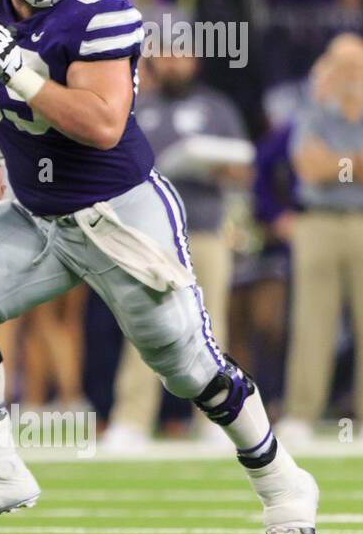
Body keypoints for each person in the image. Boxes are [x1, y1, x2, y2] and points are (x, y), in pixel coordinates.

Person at [0, 0, 319, 534]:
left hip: (117, 210)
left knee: (189, 367)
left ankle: (284, 486)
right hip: (37, 211)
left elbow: (101, 126)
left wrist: (21, 72)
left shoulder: (102, 15)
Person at [104, 47, 253, 448]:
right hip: (148, 234)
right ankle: (131, 420)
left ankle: (217, 420)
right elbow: (112, 163)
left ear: (194, 60)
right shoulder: (137, 106)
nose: (173, 63)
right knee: (143, 324)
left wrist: (215, 165)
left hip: (203, 229)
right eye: (165, 55)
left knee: (210, 326)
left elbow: (244, 168)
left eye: (181, 54)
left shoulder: (216, 107)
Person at [282, 33, 363, 447]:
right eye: (341, 65)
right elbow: (310, 169)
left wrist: (340, 163)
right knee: (311, 322)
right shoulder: (312, 115)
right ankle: (300, 413)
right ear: (328, 69)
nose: (350, 75)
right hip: (319, 224)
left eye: (357, 66)